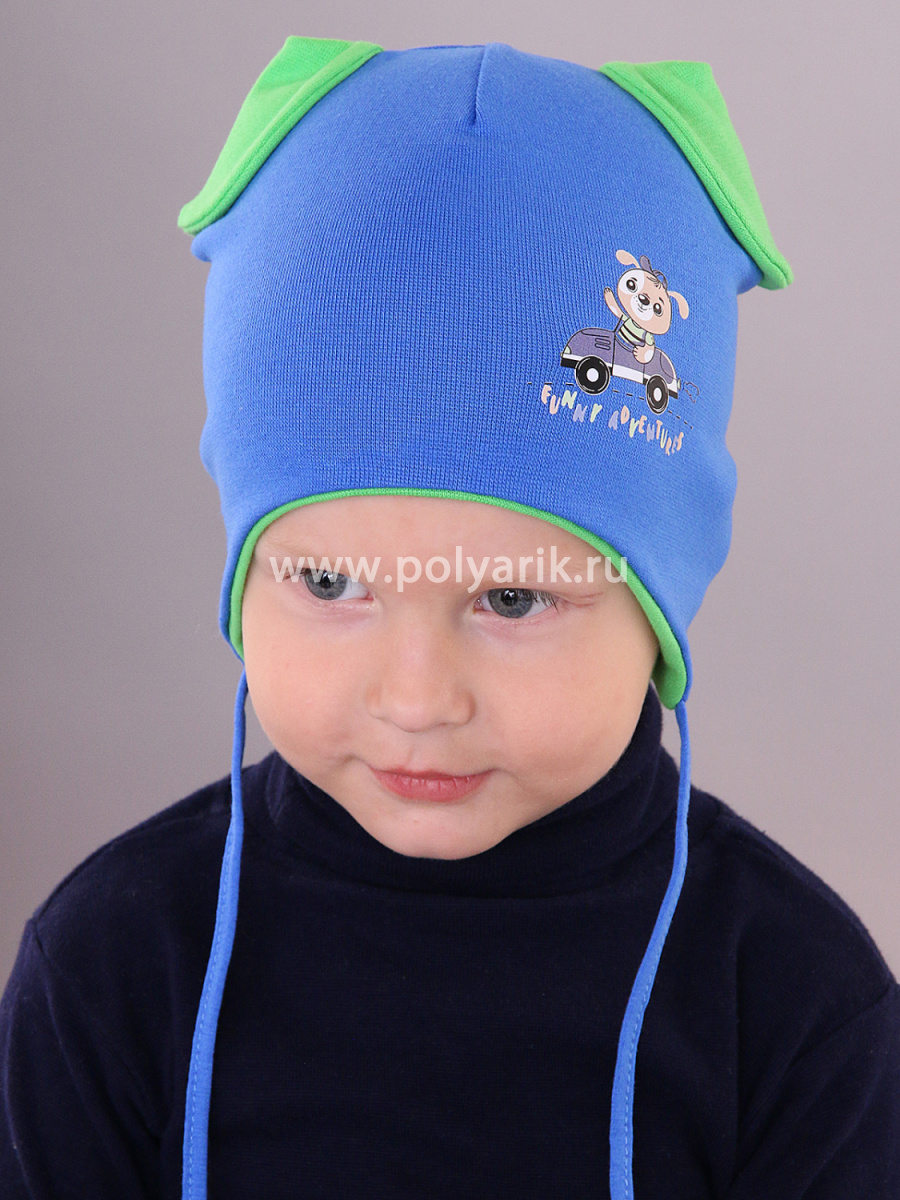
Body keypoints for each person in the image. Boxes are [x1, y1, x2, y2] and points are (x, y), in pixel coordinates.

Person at [1, 38, 898, 1200]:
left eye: (511, 598)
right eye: (330, 587)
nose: (417, 700)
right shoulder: (114, 966)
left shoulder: (792, 1006)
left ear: (659, 604)